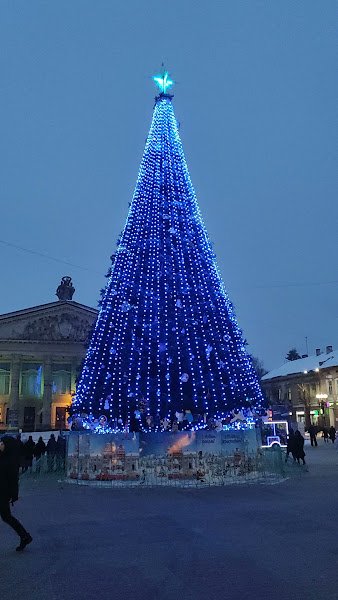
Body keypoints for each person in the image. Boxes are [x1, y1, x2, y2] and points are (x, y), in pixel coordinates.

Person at [0, 436, 32, 551]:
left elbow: (14, 480)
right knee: (6, 517)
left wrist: (13, 495)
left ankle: (25, 536)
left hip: (3, 493)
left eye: (2, 444)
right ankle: (25, 536)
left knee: (6, 517)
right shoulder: (3, 457)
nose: (0, 445)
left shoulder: (10, 461)